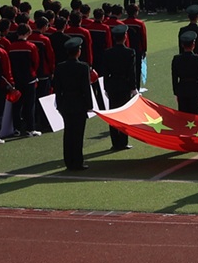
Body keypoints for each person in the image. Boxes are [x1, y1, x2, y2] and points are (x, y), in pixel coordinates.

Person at [53, 37, 103, 172]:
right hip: (79, 103)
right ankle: (77, 161)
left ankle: (69, 161)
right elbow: (85, 88)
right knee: (78, 134)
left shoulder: (60, 67)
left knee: (68, 132)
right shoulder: (83, 67)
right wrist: (89, 105)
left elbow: (57, 88)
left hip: (65, 103)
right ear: (78, 52)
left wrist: (59, 104)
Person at [101, 25, 140, 152]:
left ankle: (115, 142)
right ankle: (123, 141)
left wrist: (106, 87)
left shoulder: (107, 53)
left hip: (112, 85)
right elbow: (132, 72)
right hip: (124, 85)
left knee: (113, 114)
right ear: (125, 37)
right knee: (124, 114)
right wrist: (133, 87)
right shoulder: (129, 52)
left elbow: (105, 73)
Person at [171, 31, 198, 116]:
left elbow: (174, 77)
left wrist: (176, 92)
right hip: (195, 90)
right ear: (193, 44)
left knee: (183, 116)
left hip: (182, 90)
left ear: (182, 45)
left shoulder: (176, 59)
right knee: (195, 116)